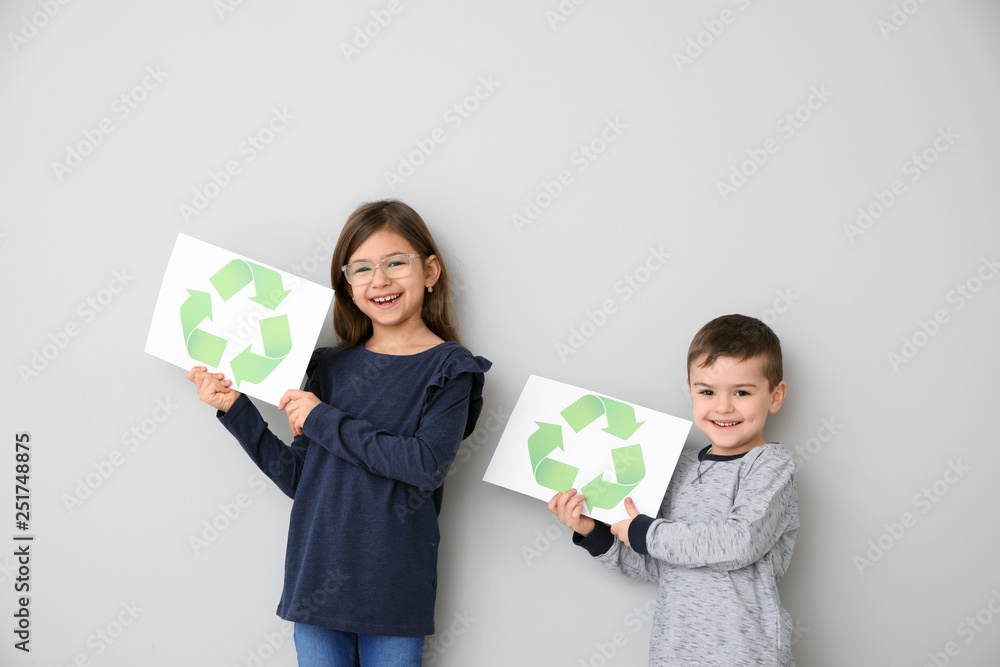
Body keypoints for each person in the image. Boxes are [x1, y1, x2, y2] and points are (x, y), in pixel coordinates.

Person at [187, 200, 490, 667]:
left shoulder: (451, 369)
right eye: (361, 268)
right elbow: (300, 480)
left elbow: (424, 466)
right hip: (315, 584)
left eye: (395, 263)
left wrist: (323, 418)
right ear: (347, 286)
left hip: (393, 589)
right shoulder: (328, 368)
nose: (380, 280)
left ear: (430, 271)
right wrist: (235, 409)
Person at [549, 314, 798, 666]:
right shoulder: (678, 466)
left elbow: (739, 543)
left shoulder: (771, 465)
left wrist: (645, 532)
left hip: (746, 654)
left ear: (775, 397)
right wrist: (597, 535)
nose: (723, 406)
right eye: (707, 392)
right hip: (674, 654)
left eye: (741, 392)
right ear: (691, 390)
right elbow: (664, 563)